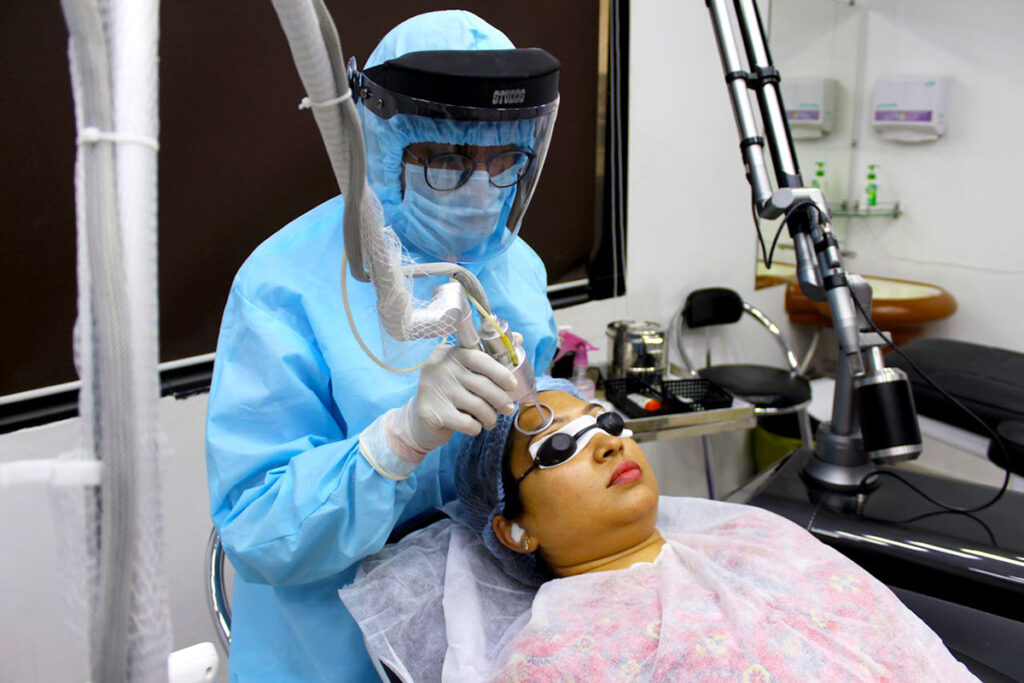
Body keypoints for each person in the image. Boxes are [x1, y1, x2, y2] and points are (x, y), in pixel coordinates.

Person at [205, 11, 559, 680]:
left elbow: (527, 402)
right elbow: (257, 527)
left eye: (504, 159)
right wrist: (397, 440)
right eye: (446, 160)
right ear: (387, 145)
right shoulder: (283, 285)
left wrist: (555, 417)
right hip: (331, 654)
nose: (481, 190)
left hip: (479, 638)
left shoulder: (518, 267)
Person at [339, 381, 977, 681]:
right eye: (559, 447)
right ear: (515, 531)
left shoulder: (752, 536)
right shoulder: (557, 659)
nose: (608, 444)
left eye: (608, 422)